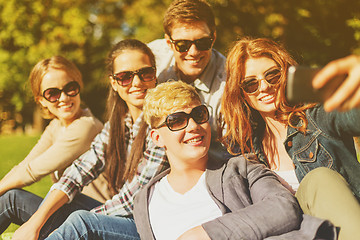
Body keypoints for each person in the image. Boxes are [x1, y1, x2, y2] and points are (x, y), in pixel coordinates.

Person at [45, 81, 336, 240]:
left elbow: (282, 208)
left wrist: (203, 234)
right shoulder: (146, 198)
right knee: (79, 221)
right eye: (177, 121)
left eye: (198, 116)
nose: (193, 127)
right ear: (157, 138)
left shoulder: (239, 168)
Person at [0, 39, 168, 240]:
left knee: (79, 221)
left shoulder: (161, 125)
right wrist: (36, 221)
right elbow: (77, 173)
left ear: (155, 76)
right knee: (14, 199)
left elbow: (132, 201)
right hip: (105, 213)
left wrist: (65, 227)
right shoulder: (117, 125)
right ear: (114, 83)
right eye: (125, 77)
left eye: (145, 73)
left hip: (141, 225)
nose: (137, 83)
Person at [221, 37, 360, 240]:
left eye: (272, 76)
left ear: (286, 74)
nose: (264, 87)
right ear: (241, 93)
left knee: (319, 179)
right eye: (251, 84)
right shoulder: (245, 149)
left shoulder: (318, 117)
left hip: (344, 229)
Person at [0, 56, 103, 196]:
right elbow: (25, 165)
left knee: (12, 199)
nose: (64, 98)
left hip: (94, 213)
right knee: (10, 197)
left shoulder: (87, 126)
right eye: (53, 93)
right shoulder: (55, 126)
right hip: (71, 209)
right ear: (41, 100)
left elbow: (33, 171)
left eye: (70, 88)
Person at [148, 0, 228, 160]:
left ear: (213, 37)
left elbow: (229, 151)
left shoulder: (229, 83)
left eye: (203, 42)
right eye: (182, 44)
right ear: (169, 43)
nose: (193, 52)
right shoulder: (150, 58)